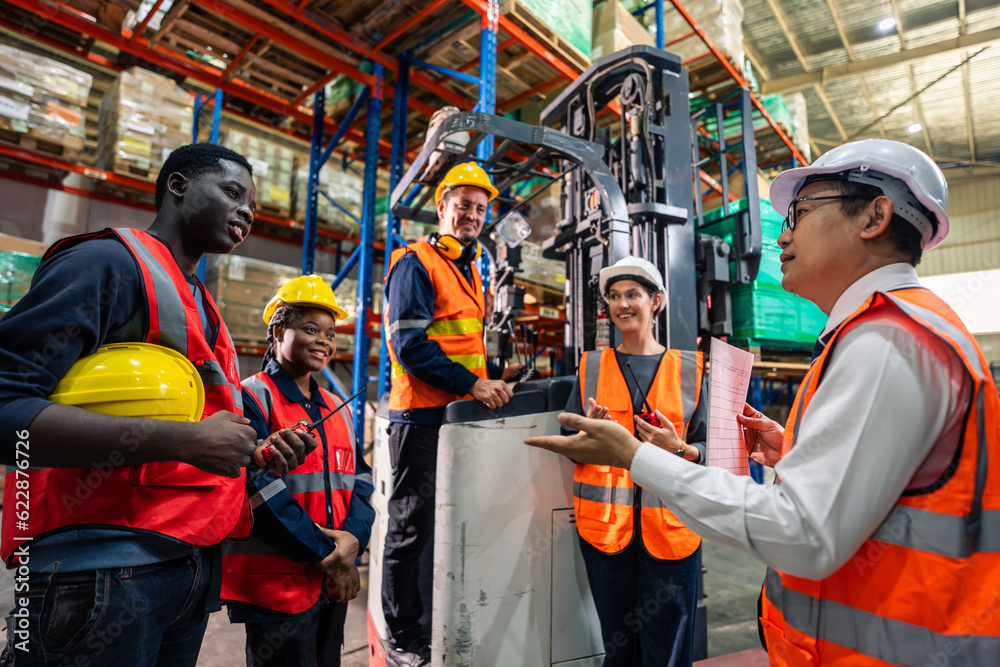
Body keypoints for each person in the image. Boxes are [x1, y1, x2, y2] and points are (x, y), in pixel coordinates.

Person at [525, 139, 1000, 666]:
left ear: (875, 216)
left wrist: (638, 457)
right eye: (611, 296)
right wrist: (794, 451)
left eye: (799, 213)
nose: (782, 234)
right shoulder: (889, 330)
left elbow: (803, 532)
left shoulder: (887, 341)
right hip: (612, 537)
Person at [0, 143, 314, 666]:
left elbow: (181, 423)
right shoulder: (107, 263)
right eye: (232, 193)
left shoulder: (198, 301)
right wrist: (189, 442)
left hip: (184, 569)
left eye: (253, 208)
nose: (246, 213)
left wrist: (249, 454)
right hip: (98, 570)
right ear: (177, 186)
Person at [380, 162, 524, 666]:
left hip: (454, 417)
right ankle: (401, 635)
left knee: (442, 524)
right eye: (463, 205)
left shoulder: (470, 267)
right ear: (442, 206)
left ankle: (426, 619)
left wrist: (497, 372)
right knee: (409, 527)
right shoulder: (415, 262)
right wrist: (473, 384)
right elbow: (409, 346)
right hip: (419, 417)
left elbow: (461, 344)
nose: (472, 215)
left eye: (480, 208)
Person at [223, 274, 375, 666]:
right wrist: (330, 554)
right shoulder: (250, 397)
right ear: (278, 331)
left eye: (330, 333)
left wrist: (355, 538)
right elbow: (257, 491)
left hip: (331, 581)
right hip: (278, 587)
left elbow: (360, 479)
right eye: (311, 329)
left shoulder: (334, 408)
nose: (325, 340)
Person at [563, 256, 707, 667]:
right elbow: (573, 446)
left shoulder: (691, 370)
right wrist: (586, 435)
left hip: (672, 535)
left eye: (632, 295)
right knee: (619, 650)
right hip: (607, 535)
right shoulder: (591, 367)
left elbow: (714, 453)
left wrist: (678, 447)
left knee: (668, 653)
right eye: (614, 297)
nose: (622, 304)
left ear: (655, 301)